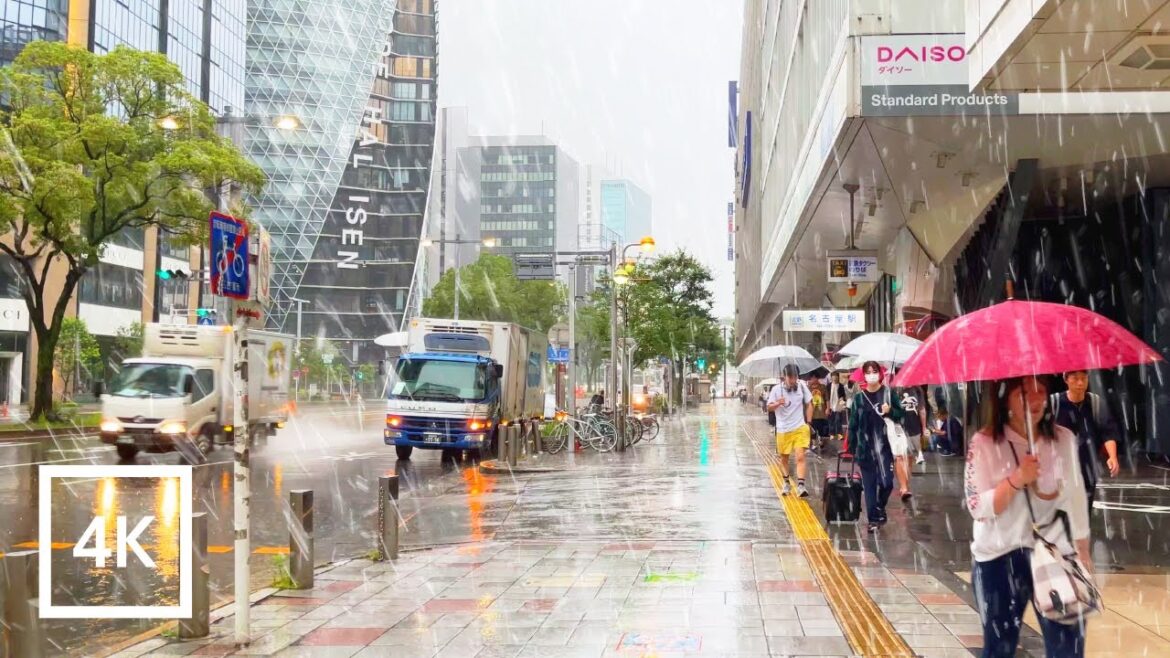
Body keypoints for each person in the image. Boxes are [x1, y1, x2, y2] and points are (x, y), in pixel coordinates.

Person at [965, 376, 1089, 658]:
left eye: (1041, 391)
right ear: (1005, 398)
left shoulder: (1063, 439)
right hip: (999, 558)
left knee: (1067, 648)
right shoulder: (983, 442)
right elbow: (977, 507)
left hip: (1054, 552)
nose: (1034, 400)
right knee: (1000, 648)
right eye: (1023, 393)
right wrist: (1016, 479)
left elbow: (1075, 496)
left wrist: (1083, 550)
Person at [1050, 370, 1121, 518]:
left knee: (1084, 510)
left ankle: (1079, 537)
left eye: (1084, 378)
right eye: (1075, 379)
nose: (1080, 383)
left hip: (1087, 466)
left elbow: (1107, 431)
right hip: (1059, 468)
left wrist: (1112, 457)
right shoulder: (1055, 403)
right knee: (1058, 512)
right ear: (1066, 379)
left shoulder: (1095, 403)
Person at [848, 361, 903, 533]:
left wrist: (891, 411)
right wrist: (852, 447)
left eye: (874, 371)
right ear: (864, 375)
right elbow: (853, 425)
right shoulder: (859, 398)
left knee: (887, 484)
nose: (871, 374)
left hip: (885, 449)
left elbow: (901, 416)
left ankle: (879, 507)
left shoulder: (888, 394)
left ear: (879, 373)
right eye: (868, 372)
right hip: (865, 450)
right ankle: (873, 520)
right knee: (869, 486)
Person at [766, 364, 813, 497]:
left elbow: (809, 403)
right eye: (790, 377)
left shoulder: (802, 387)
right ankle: (786, 482)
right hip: (783, 429)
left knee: (800, 456)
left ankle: (801, 485)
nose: (793, 380)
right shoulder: (776, 390)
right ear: (784, 376)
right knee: (784, 458)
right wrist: (777, 403)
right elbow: (769, 408)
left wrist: (808, 423)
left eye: (795, 377)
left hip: (800, 427)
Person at [828, 371, 849, 441]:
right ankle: (832, 434)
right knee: (831, 420)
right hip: (830, 405)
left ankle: (839, 434)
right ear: (831, 377)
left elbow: (844, 396)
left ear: (838, 377)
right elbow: (826, 396)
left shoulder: (841, 386)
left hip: (838, 405)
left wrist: (843, 401)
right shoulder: (828, 386)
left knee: (838, 419)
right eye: (833, 376)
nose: (834, 378)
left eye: (836, 376)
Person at [808, 378, 829, 449]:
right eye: (811, 378)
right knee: (812, 428)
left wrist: (828, 408)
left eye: (815, 377)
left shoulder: (822, 387)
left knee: (821, 428)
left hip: (821, 412)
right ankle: (814, 444)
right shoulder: (808, 388)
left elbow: (827, 398)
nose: (813, 379)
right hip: (812, 412)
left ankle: (821, 441)